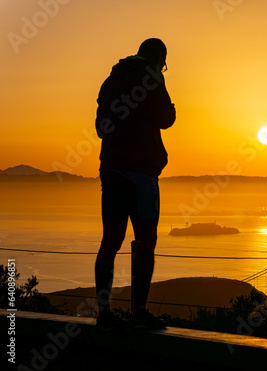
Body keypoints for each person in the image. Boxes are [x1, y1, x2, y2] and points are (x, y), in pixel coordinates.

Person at [94, 38, 176, 331]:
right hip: (141, 171)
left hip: (112, 169)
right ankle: (139, 313)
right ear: (158, 57)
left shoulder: (111, 79)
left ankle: (104, 313)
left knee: (110, 243)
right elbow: (166, 119)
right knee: (146, 241)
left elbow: (100, 127)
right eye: (163, 62)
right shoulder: (153, 76)